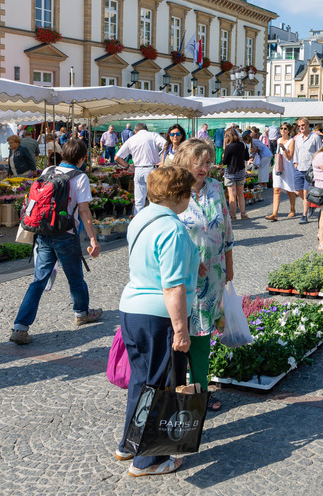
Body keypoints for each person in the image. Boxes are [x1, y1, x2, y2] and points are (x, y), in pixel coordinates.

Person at [115, 165, 199, 476]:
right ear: (178, 194)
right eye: (188, 192)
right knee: (162, 387)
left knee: (143, 382)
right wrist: (181, 331)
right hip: (159, 315)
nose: (191, 197)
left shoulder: (142, 218)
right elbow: (172, 285)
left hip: (132, 309)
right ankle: (147, 460)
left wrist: (195, 264)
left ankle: (129, 444)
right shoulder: (173, 228)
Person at [10, 138, 102, 345]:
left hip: (42, 232)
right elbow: (84, 210)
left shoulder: (48, 171)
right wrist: (93, 239)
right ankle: (81, 313)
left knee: (38, 280)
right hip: (66, 234)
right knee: (75, 277)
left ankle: (20, 327)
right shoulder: (80, 177)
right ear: (82, 158)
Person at [172, 139, 235, 413]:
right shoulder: (174, 191)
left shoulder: (215, 187)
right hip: (183, 277)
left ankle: (200, 390)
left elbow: (227, 229)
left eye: (208, 162)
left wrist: (229, 267)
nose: (205, 168)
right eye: (199, 162)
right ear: (185, 161)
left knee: (202, 336)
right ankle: (173, 390)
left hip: (214, 274)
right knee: (179, 334)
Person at [115, 122, 167, 214]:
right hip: (151, 169)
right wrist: (162, 161)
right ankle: (154, 222)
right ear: (146, 129)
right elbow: (166, 145)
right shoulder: (153, 135)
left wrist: (128, 166)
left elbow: (117, 158)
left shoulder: (131, 139)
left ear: (135, 131)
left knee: (139, 201)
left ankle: (138, 223)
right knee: (154, 200)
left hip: (138, 170)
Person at [292, 117, 323, 225]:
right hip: (299, 167)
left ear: (307, 125)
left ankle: (304, 215)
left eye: (303, 125)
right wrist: (295, 163)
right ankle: (309, 204)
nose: (301, 127)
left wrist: (318, 166)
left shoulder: (315, 137)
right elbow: (296, 151)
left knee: (306, 192)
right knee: (298, 191)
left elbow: (320, 152)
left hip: (310, 168)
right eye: (299, 125)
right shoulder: (298, 138)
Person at [265, 125, 298, 221]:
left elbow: (289, 157)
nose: (283, 130)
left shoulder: (291, 141)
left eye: (285, 129)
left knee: (290, 189)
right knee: (276, 189)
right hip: (278, 167)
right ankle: (274, 213)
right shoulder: (278, 140)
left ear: (288, 130)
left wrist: (284, 148)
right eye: (281, 128)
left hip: (287, 167)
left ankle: (292, 209)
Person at [221, 128, 249, 220]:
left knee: (232, 195)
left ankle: (233, 215)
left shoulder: (229, 147)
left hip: (230, 173)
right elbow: (247, 157)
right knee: (240, 194)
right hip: (240, 172)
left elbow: (225, 162)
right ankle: (243, 214)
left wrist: (224, 151)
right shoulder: (243, 145)